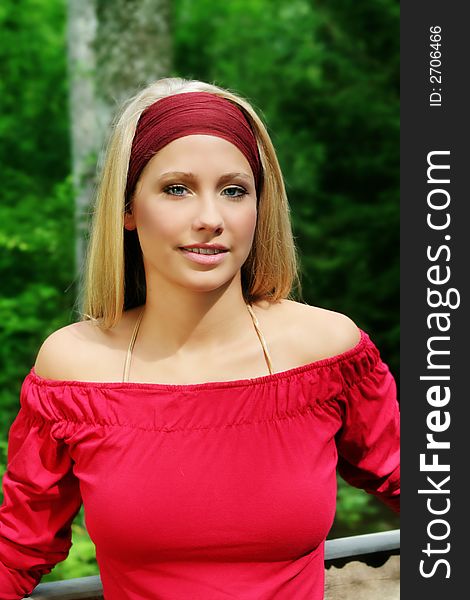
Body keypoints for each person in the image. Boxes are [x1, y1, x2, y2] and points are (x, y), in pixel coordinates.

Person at [0, 77, 400, 600]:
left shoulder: (327, 352)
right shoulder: (75, 369)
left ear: (260, 208)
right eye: (176, 188)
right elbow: (17, 550)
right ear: (127, 209)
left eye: (234, 190)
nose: (210, 219)